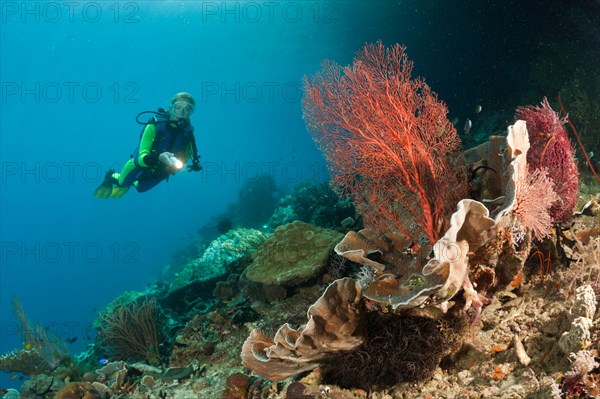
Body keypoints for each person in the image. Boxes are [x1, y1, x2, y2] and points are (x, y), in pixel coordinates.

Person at [94, 92, 202, 199]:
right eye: (178, 107)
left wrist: (178, 165)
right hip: (139, 165)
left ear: (191, 112)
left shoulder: (189, 134)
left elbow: (187, 156)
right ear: (170, 107)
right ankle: (111, 176)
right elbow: (141, 159)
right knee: (122, 184)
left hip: (161, 171)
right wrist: (158, 157)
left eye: (187, 109)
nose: (182, 112)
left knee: (141, 188)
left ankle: (133, 182)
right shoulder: (154, 125)